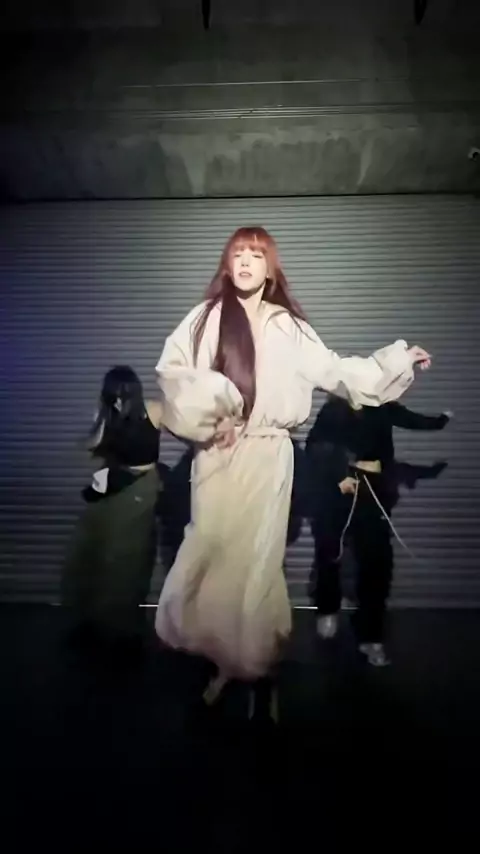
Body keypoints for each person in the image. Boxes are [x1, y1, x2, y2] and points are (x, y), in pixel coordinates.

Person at [154, 226, 432, 719]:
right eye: (238, 254)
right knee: (212, 554)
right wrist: (213, 412)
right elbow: (175, 375)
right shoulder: (205, 318)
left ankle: (260, 671)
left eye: (255, 254)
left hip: (268, 455)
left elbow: (337, 371)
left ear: (270, 268)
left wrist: (396, 361)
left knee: (259, 563)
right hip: (218, 457)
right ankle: (228, 662)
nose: (245, 261)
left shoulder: (288, 326)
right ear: (227, 265)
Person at [306, 396, 450, 666]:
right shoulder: (333, 410)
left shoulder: (383, 408)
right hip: (336, 495)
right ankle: (327, 608)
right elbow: (315, 446)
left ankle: (371, 635)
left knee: (377, 561)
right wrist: (338, 474)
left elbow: (410, 419)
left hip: (373, 494)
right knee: (329, 553)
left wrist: (440, 421)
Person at [62, 365, 163, 659]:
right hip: (111, 481)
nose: (118, 397)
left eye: (123, 391)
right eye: (113, 393)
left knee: (127, 560)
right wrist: (104, 419)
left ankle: (125, 633)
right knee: (89, 551)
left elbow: (187, 427)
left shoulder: (154, 410)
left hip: (140, 487)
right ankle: (89, 622)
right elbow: (93, 446)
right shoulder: (106, 413)